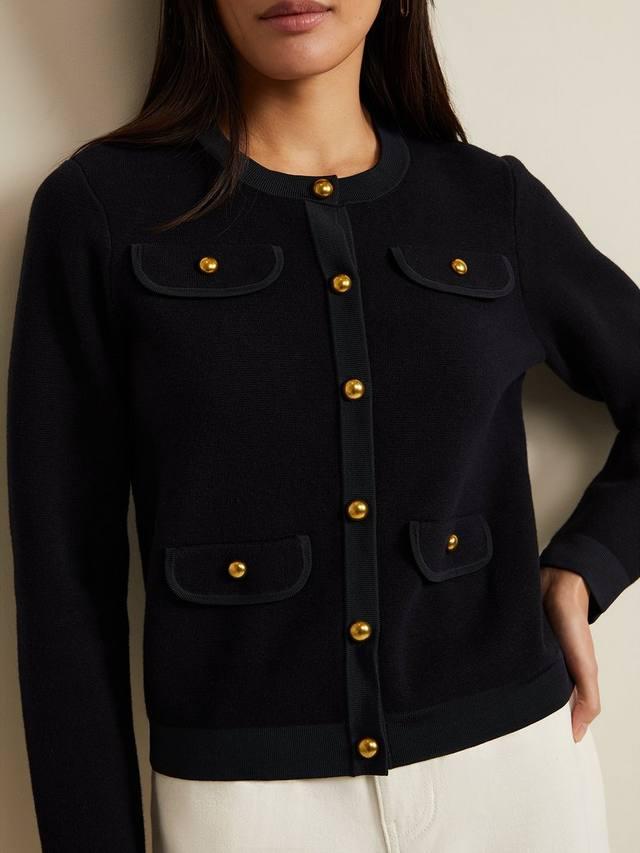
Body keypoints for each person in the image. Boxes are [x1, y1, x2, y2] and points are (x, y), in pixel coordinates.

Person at [7, 1, 639, 851]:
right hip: (246, 808)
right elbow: (62, 582)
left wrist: (586, 567)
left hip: (516, 773)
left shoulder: (489, 202)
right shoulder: (100, 211)